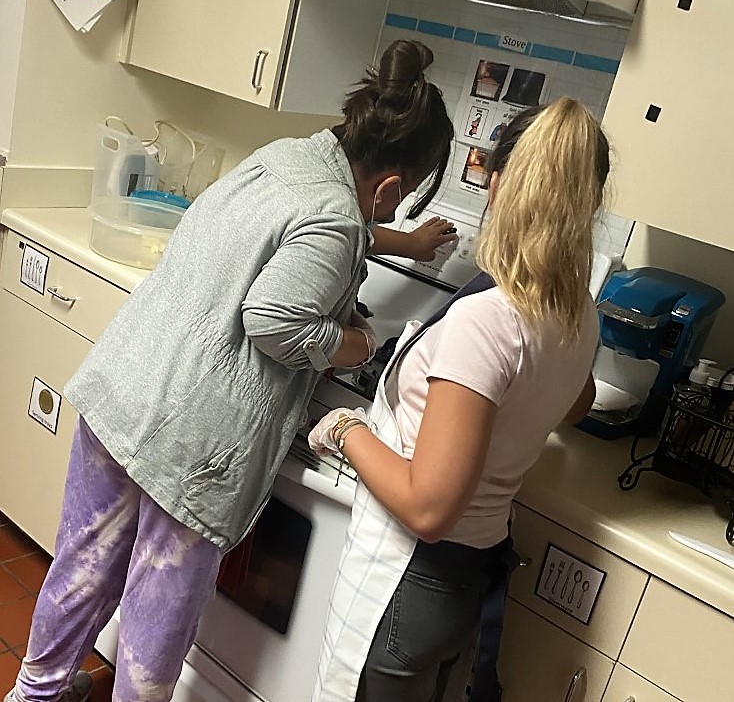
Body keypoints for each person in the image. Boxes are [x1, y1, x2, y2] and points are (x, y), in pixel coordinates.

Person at [4, 39, 456, 702]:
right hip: (191, 442)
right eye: (403, 196)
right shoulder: (335, 216)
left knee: (85, 563)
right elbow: (275, 319)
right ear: (389, 183)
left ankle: (32, 692)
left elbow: (323, 221)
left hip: (128, 385)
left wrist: (399, 241)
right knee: (158, 616)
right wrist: (356, 344)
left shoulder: (289, 156)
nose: (396, 207)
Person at [308, 97, 608, 702]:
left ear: (496, 185)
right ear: (589, 205)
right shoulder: (580, 315)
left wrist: (346, 430)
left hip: (409, 576)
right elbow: (578, 403)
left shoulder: (488, 319)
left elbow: (428, 508)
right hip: (463, 583)